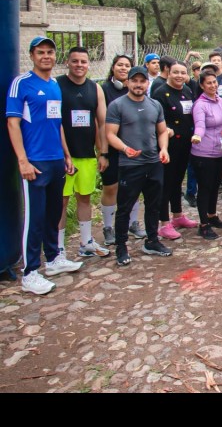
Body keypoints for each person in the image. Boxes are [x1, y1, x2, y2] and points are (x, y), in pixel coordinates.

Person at [7, 36, 83, 294]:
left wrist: (66, 155)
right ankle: (30, 273)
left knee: (53, 213)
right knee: (35, 218)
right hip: (35, 161)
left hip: (55, 159)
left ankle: (53, 259)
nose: (46, 56)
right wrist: (23, 160)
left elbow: (57, 123)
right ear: (32, 55)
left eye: (50, 52)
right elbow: (13, 123)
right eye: (41, 52)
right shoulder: (21, 83)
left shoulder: (54, 85)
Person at [105, 66, 173, 266]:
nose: (138, 85)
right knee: (124, 207)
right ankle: (121, 246)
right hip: (130, 164)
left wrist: (164, 149)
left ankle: (152, 240)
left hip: (153, 162)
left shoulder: (155, 105)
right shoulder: (117, 105)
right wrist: (124, 148)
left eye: (142, 81)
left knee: (154, 204)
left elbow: (162, 131)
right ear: (127, 82)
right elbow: (110, 134)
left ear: (147, 83)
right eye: (134, 81)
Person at [57, 46, 110, 258]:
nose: (79, 65)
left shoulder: (95, 89)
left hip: (86, 154)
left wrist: (103, 152)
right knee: (61, 202)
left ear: (88, 64)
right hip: (62, 156)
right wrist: (64, 154)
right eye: (75, 61)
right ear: (67, 63)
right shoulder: (57, 85)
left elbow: (102, 122)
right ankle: (58, 248)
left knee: (85, 198)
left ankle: (86, 242)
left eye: (83, 61)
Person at [151, 61, 199, 240]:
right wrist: (166, 130)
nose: (179, 76)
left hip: (185, 143)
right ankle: (164, 223)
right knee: (166, 182)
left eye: (183, 73)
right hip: (168, 145)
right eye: (176, 72)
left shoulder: (187, 90)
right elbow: (156, 119)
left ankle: (178, 215)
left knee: (178, 180)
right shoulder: (160, 93)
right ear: (168, 73)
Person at [100, 54, 144, 245]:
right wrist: (102, 152)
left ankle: (133, 223)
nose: (124, 68)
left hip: (134, 147)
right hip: (112, 148)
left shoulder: (137, 90)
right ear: (113, 67)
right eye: (120, 65)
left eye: (127, 65)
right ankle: (108, 227)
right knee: (111, 187)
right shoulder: (104, 90)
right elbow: (101, 123)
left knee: (134, 186)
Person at [190, 70, 222, 240]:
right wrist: (197, 136)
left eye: (215, 82)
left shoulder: (220, 101)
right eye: (209, 83)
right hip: (203, 153)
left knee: (215, 186)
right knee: (205, 188)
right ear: (202, 85)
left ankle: (212, 215)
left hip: (219, 152)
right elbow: (200, 125)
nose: (213, 85)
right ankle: (203, 225)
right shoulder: (200, 105)